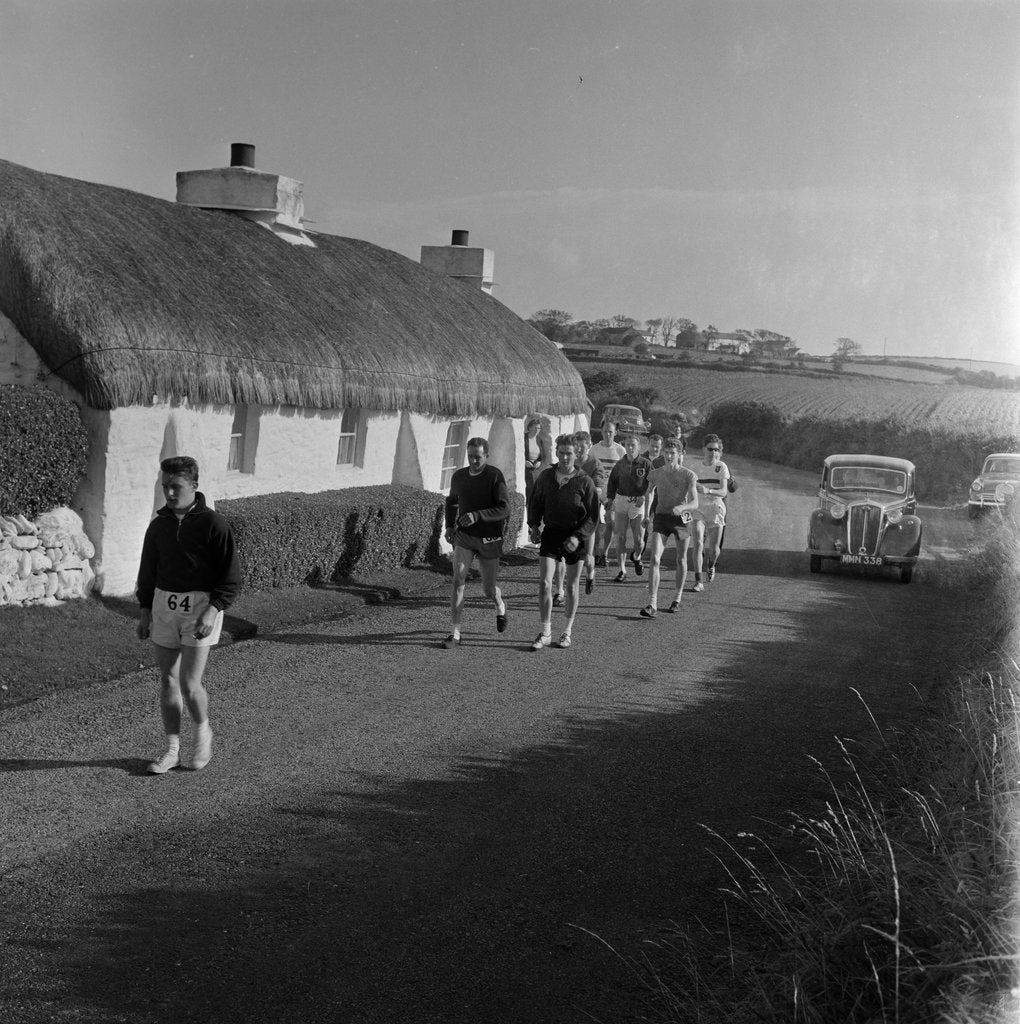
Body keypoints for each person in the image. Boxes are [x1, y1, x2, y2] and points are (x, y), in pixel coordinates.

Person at [136, 455, 241, 774]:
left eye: (176, 487)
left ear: (194, 486)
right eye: (165, 486)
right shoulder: (158, 526)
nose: (169, 493)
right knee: (167, 680)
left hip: (200, 608)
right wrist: (144, 611)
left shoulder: (213, 524)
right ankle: (172, 750)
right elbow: (148, 571)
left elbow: (231, 577)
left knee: (189, 682)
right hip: (164, 606)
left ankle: (203, 734)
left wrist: (213, 610)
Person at [527, 433, 600, 650]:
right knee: (545, 583)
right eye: (561, 453)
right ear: (556, 453)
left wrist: (578, 538)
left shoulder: (584, 481)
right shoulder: (546, 477)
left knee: (570, 586)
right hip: (551, 533)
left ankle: (567, 632)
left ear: (576, 454)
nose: (565, 457)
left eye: (569, 453)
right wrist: (533, 525)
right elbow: (536, 502)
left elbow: (592, 516)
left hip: (574, 537)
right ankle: (546, 631)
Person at [442, 437, 511, 649]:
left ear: (486, 456)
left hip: (489, 537)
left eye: (478, 457)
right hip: (465, 536)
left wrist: (477, 516)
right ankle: (455, 634)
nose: (473, 461)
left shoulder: (494, 476)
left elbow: (504, 508)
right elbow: (452, 501)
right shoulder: (459, 476)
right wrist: (450, 526)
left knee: (488, 589)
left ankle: (500, 606)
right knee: (458, 579)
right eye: (470, 456)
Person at [640, 437, 699, 617]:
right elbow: (648, 494)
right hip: (661, 517)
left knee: (681, 559)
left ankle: (677, 599)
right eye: (666, 452)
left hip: (682, 518)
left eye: (672, 453)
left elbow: (695, 502)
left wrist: (682, 507)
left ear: (679, 454)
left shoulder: (688, 475)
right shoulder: (656, 473)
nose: (669, 456)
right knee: (655, 559)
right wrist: (646, 516)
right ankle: (652, 603)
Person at [605, 433, 653, 582]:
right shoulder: (620, 464)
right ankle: (622, 570)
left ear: (639, 447)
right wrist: (610, 498)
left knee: (639, 540)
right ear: (624, 446)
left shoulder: (646, 464)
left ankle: (637, 557)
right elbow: (612, 482)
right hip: (621, 502)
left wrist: (644, 497)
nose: (630, 448)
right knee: (620, 537)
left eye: (633, 445)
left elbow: (652, 486)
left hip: (638, 504)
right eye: (628, 445)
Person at [690, 433, 731, 590]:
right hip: (698, 508)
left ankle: (711, 565)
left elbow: (723, 492)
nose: (713, 452)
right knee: (698, 543)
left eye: (716, 449)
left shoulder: (721, 467)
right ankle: (698, 581)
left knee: (713, 550)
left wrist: (708, 490)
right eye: (710, 449)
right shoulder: (695, 467)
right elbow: (688, 491)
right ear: (703, 450)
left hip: (715, 507)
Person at [588, 420, 625, 567]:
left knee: (610, 523)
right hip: (596, 491)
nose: (608, 434)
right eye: (605, 431)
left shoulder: (621, 451)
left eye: (611, 431)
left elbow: (623, 473)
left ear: (615, 432)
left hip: (612, 493)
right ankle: (595, 553)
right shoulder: (594, 450)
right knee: (595, 524)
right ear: (601, 431)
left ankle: (604, 553)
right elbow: (589, 469)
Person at [523, 417, 546, 510]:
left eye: (539, 428)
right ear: (530, 427)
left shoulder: (539, 440)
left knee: (535, 490)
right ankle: (525, 509)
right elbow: (518, 452)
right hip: (525, 468)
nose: (537, 430)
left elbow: (543, 456)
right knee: (527, 489)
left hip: (535, 469)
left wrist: (539, 462)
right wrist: (524, 461)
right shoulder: (524, 438)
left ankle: (531, 510)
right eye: (535, 428)